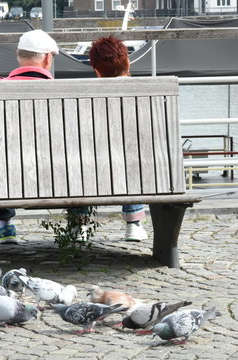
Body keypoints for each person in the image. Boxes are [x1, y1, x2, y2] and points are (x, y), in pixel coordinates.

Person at [0, 29, 59, 244]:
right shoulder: (62, 91)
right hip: (57, 173)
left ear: (18, 55)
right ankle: (79, 226)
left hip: (6, 175)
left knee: (0, 157)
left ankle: (5, 225)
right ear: (47, 58)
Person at [88, 35, 148, 241]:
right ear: (128, 62)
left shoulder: (84, 97)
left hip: (91, 173)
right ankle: (134, 223)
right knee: (132, 156)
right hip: (137, 172)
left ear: (96, 71)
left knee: (81, 160)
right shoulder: (146, 94)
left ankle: (79, 225)